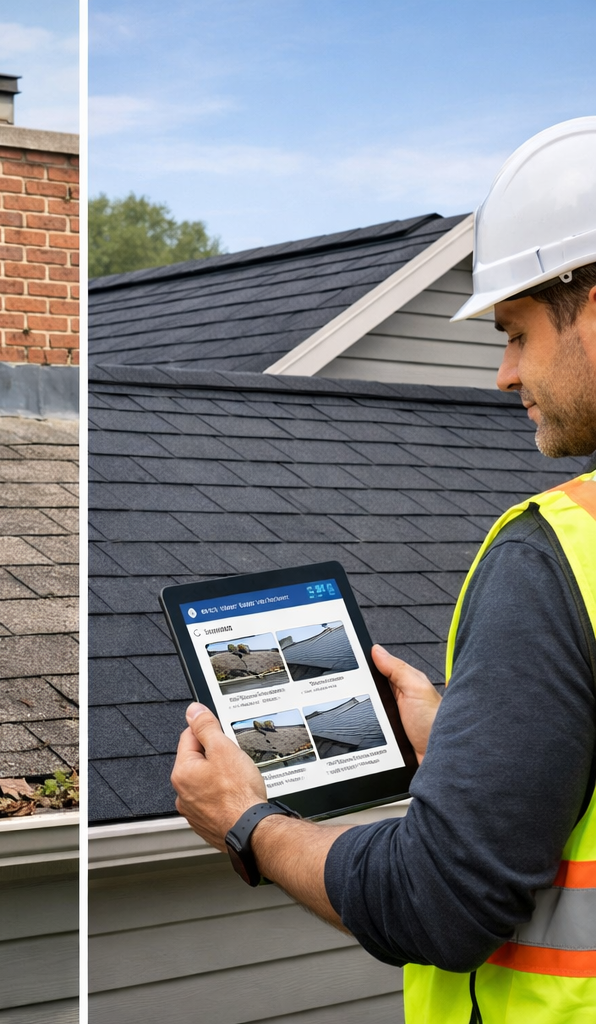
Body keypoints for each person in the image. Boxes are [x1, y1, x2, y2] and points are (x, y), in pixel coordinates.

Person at [171, 117, 596, 1024]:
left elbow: (443, 902)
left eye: (515, 331)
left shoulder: (558, 556)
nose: (503, 373)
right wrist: (484, 750)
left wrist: (251, 822)